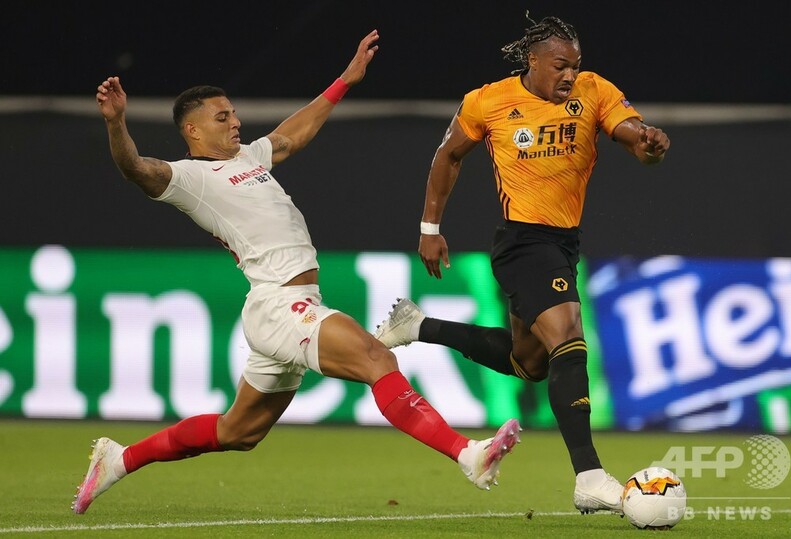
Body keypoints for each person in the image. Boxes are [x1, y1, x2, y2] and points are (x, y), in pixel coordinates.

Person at [72, 30, 522, 515]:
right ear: (193, 131)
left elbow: (293, 134)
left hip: (289, 306)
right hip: (280, 307)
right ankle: (467, 454)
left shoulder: (247, 158)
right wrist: (116, 123)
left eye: (234, 113)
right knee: (376, 358)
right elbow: (136, 168)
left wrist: (345, 80)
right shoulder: (190, 177)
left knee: (238, 432)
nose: (235, 122)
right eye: (222, 117)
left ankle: (120, 459)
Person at [374, 15, 670, 515]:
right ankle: (589, 476)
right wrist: (429, 227)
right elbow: (448, 156)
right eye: (560, 66)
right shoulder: (487, 101)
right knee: (568, 335)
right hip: (522, 242)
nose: (569, 75)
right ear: (532, 61)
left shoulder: (594, 90)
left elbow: (632, 137)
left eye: (575, 66)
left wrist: (648, 143)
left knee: (529, 363)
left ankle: (417, 325)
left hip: (563, 243)